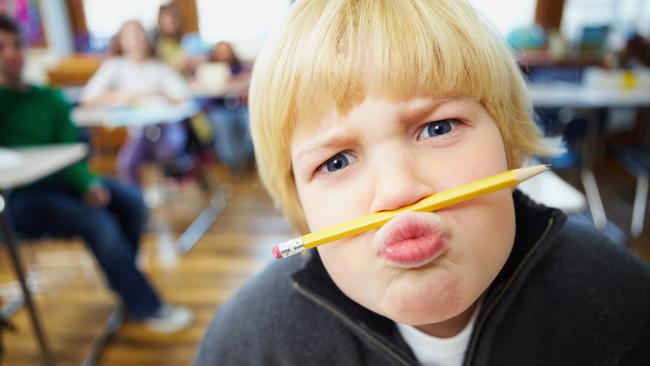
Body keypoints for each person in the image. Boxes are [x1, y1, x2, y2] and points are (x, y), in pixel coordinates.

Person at [193, 1, 650, 365]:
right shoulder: (250, 343)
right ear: (301, 206)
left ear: (508, 147)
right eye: (335, 162)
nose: (397, 191)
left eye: (438, 128)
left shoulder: (621, 304)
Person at [0, 14, 192, 333]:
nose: (11, 53)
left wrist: (87, 183)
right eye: (1, 47)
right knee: (97, 222)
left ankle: (125, 282)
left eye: (17, 45)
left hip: (63, 181)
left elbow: (70, 150)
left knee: (133, 203)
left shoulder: (49, 99)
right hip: (17, 198)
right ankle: (144, 302)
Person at [81, 20, 193, 185]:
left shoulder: (159, 67)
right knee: (126, 165)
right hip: (137, 132)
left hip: (165, 129)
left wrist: (159, 93)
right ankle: (140, 202)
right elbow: (87, 99)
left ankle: (167, 182)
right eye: (130, 36)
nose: (136, 41)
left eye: (139, 35)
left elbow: (184, 97)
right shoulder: (114, 66)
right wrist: (123, 96)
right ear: (121, 41)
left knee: (166, 150)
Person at [204, 41, 254, 177]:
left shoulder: (240, 68)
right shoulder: (209, 69)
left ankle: (249, 157)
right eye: (220, 51)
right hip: (220, 108)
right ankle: (234, 162)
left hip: (239, 106)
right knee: (223, 123)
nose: (223, 54)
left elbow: (248, 82)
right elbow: (209, 89)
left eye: (226, 50)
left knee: (249, 121)